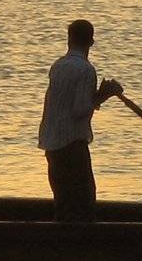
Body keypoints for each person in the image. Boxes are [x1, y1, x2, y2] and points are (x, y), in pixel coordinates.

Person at [37, 19, 123, 222]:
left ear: (69, 40)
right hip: (72, 145)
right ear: (91, 42)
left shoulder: (58, 66)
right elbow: (80, 110)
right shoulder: (85, 70)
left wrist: (99, 95)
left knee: (64, 201)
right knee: (83, 202)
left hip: (52, 143)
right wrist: (104, 94)